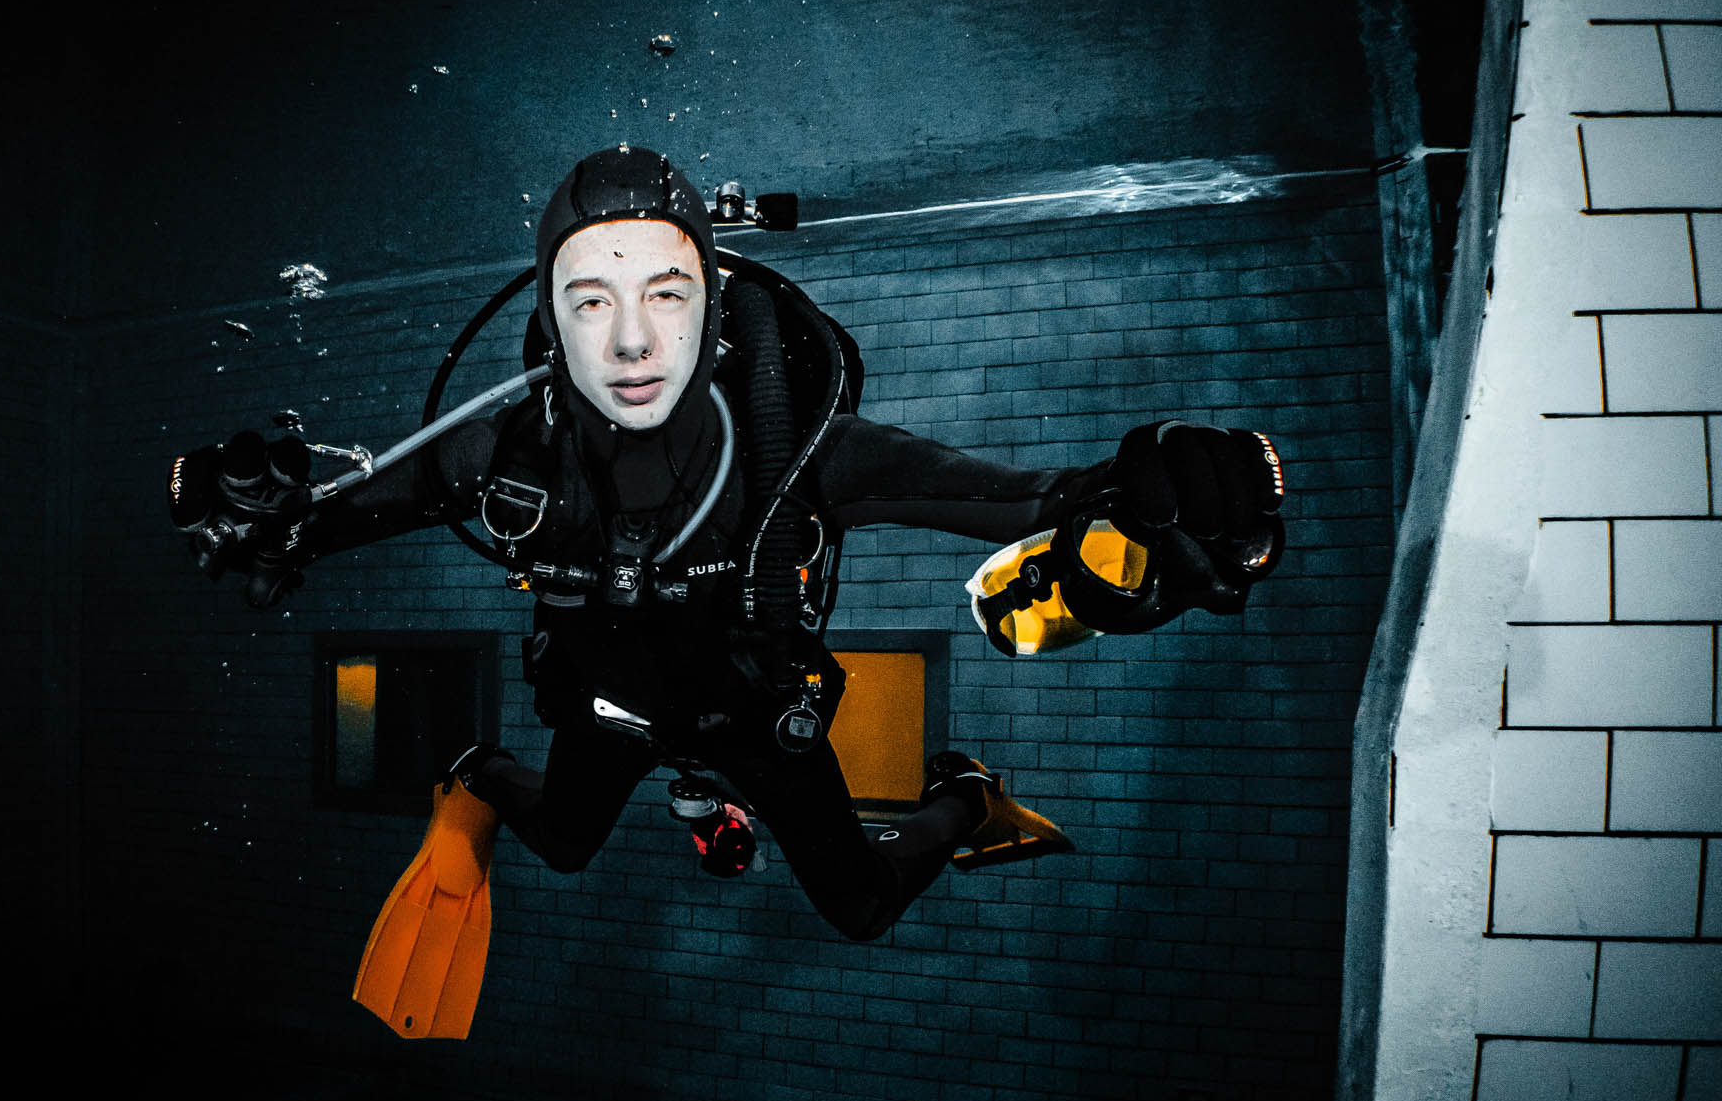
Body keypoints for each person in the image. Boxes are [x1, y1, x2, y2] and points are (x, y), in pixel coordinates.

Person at [174, 147, 1283, 1033]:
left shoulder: (796, 456)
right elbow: (332, 517)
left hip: (759, 721)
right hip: (611, 716)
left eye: (664, 290)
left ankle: (964, 795)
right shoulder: (503, 456)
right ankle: (477, 773)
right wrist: (271, 524)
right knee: (561, 841)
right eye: (589, 299)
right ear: (550, 320)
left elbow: (1010, 495)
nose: (631, 340)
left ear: (709, 301)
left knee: (856, 908)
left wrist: (1132, 496)